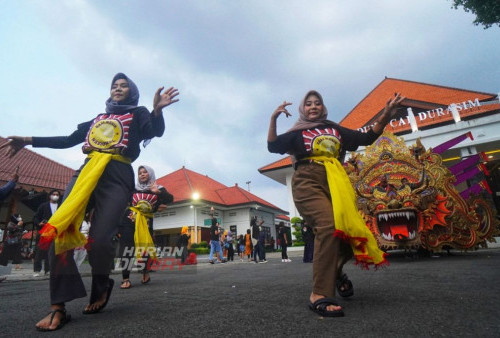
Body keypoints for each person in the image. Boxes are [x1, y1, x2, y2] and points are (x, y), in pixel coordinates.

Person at [0, 73, 179, 331]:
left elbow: (155, 131)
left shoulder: (139, 113)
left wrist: (157, 110)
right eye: (114, 86)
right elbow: (67, 139)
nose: (117, 89)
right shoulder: (98, 119)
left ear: (132, 92)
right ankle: (57, 307)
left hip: (117, 174)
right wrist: (27, 141)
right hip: (86, 172)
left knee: (101, 238)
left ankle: (101, 283)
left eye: (123, 86)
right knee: (58, 228)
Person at [267, 90, 402, 317]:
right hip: (307, 181)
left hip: (335, 183)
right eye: (308, 104)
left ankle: (336, 273)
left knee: (347, 235)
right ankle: (319, 293)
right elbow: (272, 146)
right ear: (303, 108)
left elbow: (365, 138)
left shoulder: (334, 129)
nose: (313, 107)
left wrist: (386, 115)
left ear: (323, 107)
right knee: (328, 226)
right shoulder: (297, 132)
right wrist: (273, 119)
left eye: (317, 103)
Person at [119, 165, 173, 289]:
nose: (142, 174)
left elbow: (170, 199)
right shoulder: (133, 189)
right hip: (129, 220)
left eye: (145, 172)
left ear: (150, 174)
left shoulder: (158, 188)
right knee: (126, 248)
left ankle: (145, 272)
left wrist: (157, 192)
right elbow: (123, 202)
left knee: (145, 249)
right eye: (140, 173)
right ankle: (125, 278)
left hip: (146, 223)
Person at [32, 190, 61, 277]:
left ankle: (48, 270)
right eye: (54, 194)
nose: (55, 196)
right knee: (39, 251)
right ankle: (37, 270)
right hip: (44, 231)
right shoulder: (43, 206)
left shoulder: (61, 206)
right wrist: (39, 223)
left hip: (55, 231)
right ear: (50, 195)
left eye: (57, 195)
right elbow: (36, 217)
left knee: (51, 251)